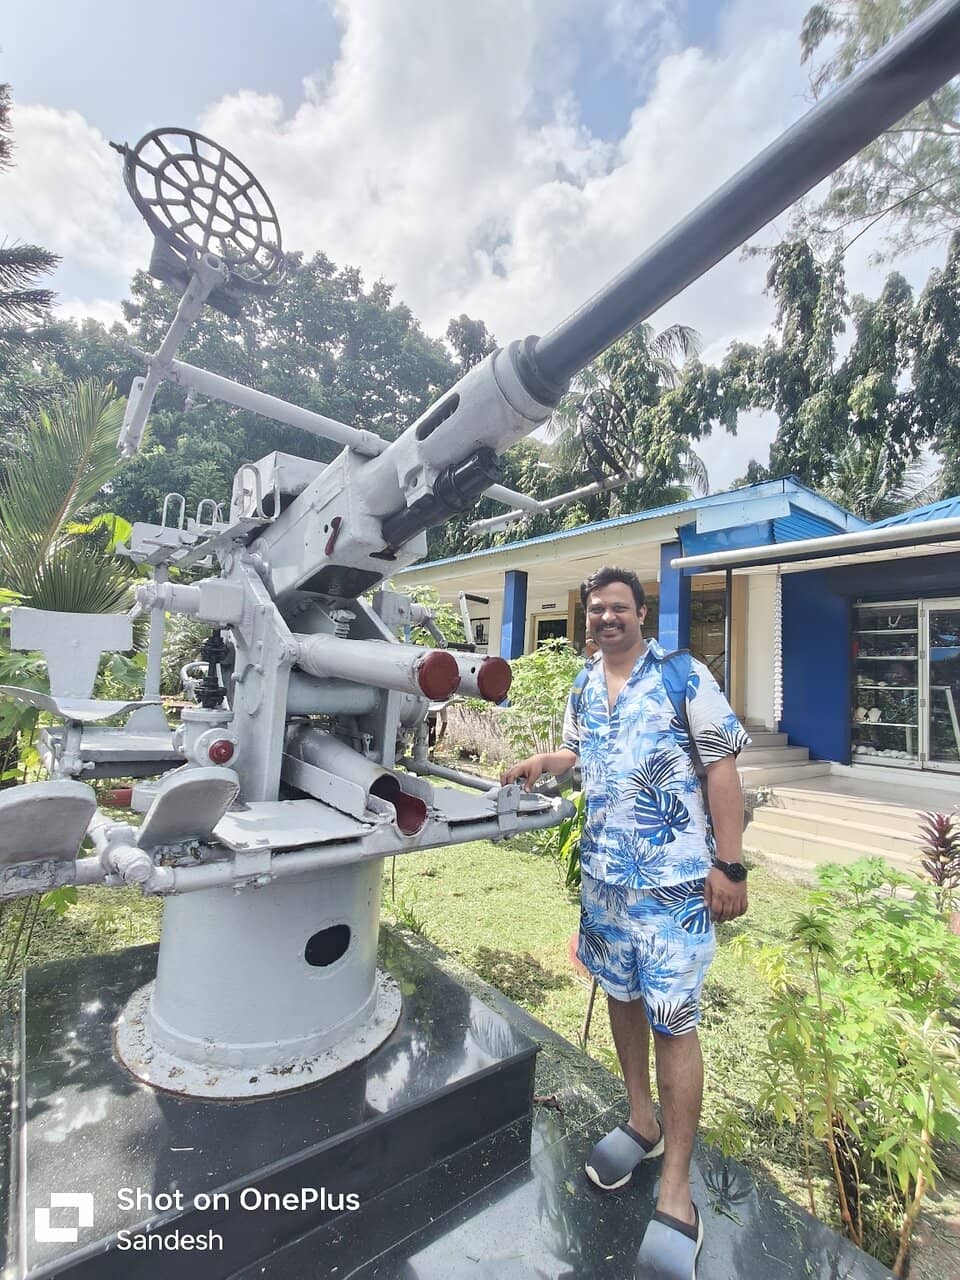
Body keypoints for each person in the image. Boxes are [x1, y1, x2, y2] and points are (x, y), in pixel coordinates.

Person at [501, 565, 749, 1279]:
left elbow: (722, 768)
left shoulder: (682, 675)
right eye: (595, 610)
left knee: (675, 1021)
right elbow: (584, 756)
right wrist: (546, 760)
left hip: (673, 887)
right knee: (621, 997)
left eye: (618, 608)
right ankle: (640, 1118)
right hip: (604, 880)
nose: (605, 618)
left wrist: (728, 867)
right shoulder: (583, 683)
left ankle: (677, 1190)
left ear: (642, 613)